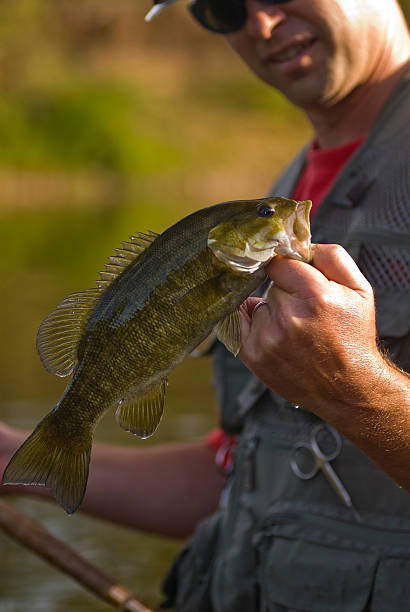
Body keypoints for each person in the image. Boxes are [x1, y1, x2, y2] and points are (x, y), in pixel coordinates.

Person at [1, 0, 410, 610]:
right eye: (222, 9)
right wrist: (14, 459)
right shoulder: (288, 189)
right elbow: (247, 469)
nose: (261, 24)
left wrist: (353, 389)